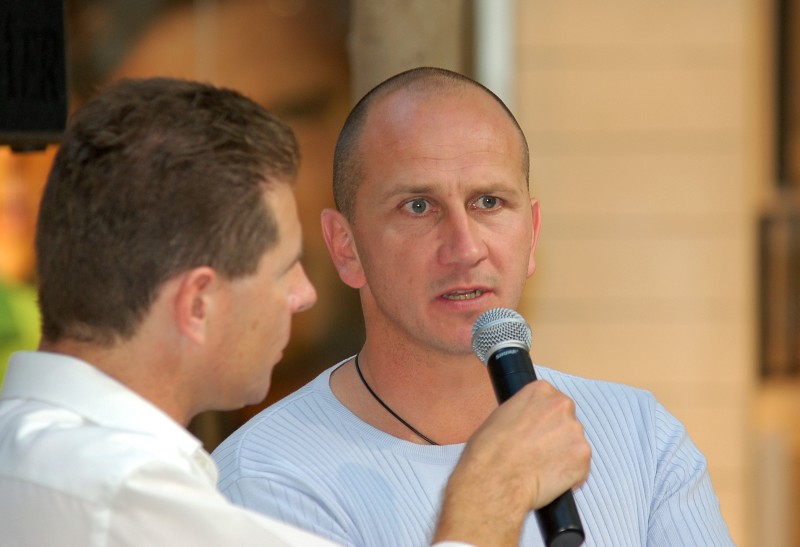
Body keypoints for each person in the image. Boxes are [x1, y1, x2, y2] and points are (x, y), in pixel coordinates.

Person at [0, 77, 589, 546]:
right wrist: (488, 499)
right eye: (285, 268)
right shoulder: (122, 494)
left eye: (489, 202)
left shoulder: (35, 457)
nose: (304, 294)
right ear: (198, 303)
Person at [212, 66, 735, 546]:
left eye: (489, 202)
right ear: (346, 248)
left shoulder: (641, 438)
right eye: (418, 206)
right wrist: (490, 499)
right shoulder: (267, 477)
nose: (464, 248)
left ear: (532, 233)